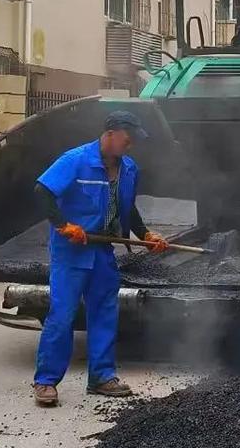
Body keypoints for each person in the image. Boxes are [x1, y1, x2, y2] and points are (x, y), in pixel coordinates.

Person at [32, 110, 167, 407]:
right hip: (72, 252)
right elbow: (42, 191)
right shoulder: (75, 160)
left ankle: (102, 377)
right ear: (110, 134)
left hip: (103, 251)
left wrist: (144, 234)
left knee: (105, 314)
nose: (129, 146)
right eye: (127, 140)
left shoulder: (129, 169)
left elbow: (127, 208)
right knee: (63, 315)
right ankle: (46, 381)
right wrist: (63, 225)